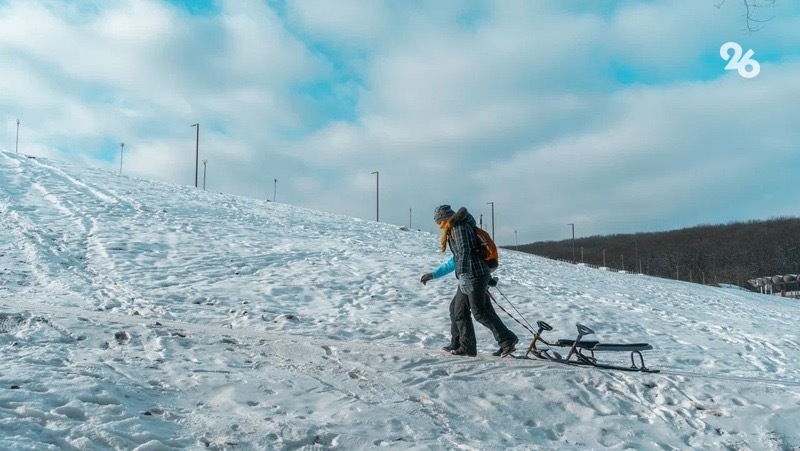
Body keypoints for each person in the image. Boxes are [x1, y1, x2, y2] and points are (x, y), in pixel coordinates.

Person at [420, 205, 519, 357]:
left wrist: (464, 275)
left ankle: (502, 341)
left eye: (439, 222)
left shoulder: (458, 227)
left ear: (444, 218)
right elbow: (457, 258)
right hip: (473, 275)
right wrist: (434, 274)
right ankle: (461, 343)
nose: (439, 226)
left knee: (478, 312)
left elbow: (465, 252)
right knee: (457, 309)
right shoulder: (454, 228)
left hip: (474, 275)